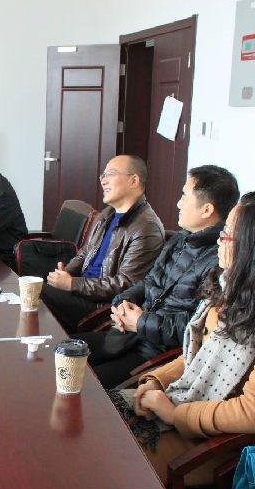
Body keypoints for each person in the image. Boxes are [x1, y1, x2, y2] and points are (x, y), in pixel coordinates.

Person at [109, 192, 255, 485]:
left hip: (226, 446)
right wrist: (156, 382)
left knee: (109, 454)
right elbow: (195, 358)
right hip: (194, 411)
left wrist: (176, 414)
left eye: (228, 235)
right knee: (97, 417)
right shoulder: (231, 290)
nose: (219, 240)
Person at [74, 165, 240, 387]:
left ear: (207, 210)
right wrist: (123, 303)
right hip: (127, 336)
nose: (178, 203)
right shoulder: (180, 239)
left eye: (184, 196)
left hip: (154, 354)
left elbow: (197, 327)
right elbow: (148, 281)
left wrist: (141, 322)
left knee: (81, 383)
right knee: (60, 351)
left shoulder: (218, 261)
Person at [40, 155, 164, 332]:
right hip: (82, 291)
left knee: (35, 292)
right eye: (103, 176)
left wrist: (72, 284)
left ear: (134, 181)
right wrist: (66, 273)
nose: (103, 181)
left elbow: (126, 284)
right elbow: (86, 252)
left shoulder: (146, 227)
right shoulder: (108, 214)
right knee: (31, 287)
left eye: (110, 174)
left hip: (100, 307)